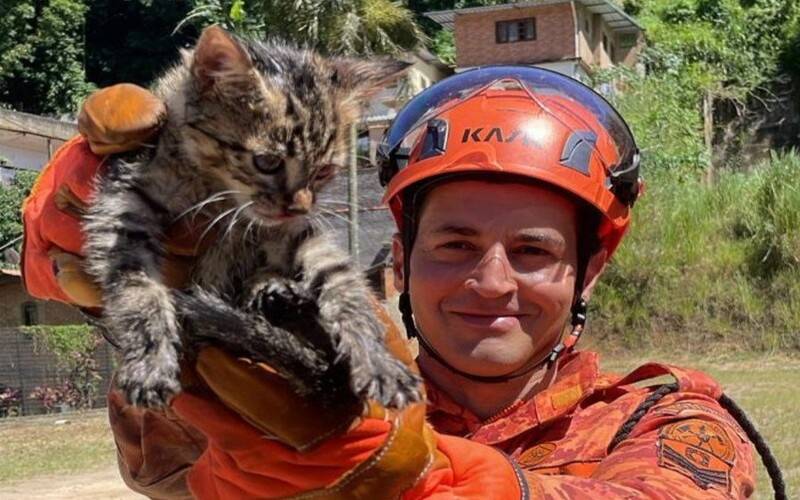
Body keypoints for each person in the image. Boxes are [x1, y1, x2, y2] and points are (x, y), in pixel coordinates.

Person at [21, 66, 781, 499]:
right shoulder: (308, 376)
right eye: (454, 243)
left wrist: (405, 472)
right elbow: (159, 460)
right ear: (403, 258)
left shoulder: (664, 420)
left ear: (587, 269)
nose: (491, 281)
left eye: (532, 250)